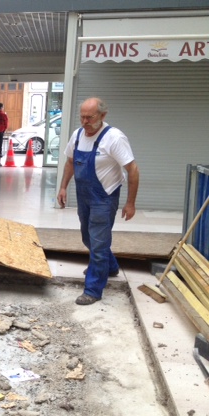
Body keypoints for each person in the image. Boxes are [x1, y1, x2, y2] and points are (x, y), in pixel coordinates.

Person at [57, 97, 139, 306]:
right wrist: (63, 187)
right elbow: (70, 162)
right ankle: (110, 267)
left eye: (90, 117)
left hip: (104, 197)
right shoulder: (77, 135)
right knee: (88, 237)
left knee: (99, 242)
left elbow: (132, 169)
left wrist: (130, 203)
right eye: (82, 117)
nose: (85, 122)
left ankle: (93, 289)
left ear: (103, 115)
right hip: (84, 195)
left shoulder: (114, 138)